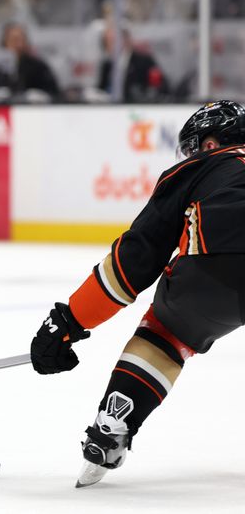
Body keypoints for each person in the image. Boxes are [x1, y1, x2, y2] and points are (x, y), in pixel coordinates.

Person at [29, 100, 245, 487]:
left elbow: (134, 261)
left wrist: (70, 320)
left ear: (212, 144)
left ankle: (117, 420)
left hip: (215, 269)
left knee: (167, 331)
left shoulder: (198, 169)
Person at [97, 25, 169, 102]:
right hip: (110, 111)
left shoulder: (143, 61)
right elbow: (101, 90)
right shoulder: (107, 65)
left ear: (125, 40)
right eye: (106, 42)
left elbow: (162, 87)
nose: (108, 45)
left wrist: (144, 95)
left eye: (112, 41)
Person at [0, 22, 59, 100]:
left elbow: (54, 92)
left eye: (21, 39)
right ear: (5, 42)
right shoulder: (1, 67)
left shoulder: (38, 66)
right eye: (14, 40)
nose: (18, 44)